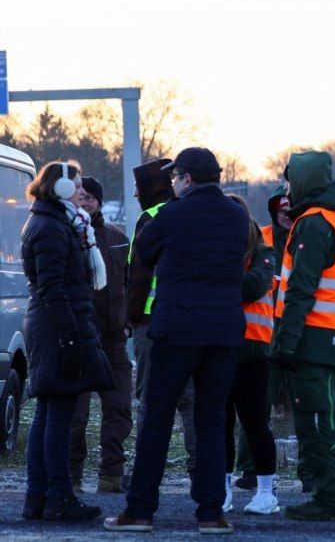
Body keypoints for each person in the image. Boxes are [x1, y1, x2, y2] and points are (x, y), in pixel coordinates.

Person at [105, 148, 248, 535]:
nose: (172, 183)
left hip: (177, 330)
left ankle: (140, 511)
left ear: (185, 178)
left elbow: (145, 254)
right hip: (223, 333)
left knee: (157, 417)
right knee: (211, 421)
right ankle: (211, 513)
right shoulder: (239, 216)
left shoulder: (171, 214)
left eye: (175, 177)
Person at [272, 151, 335, 522]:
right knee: (327, 419)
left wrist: (285, 343)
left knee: (315, 421)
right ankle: (332, 494)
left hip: (313, 340)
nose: (286, 188)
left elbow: (301, 291)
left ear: (306, 182)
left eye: (290, 181)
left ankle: (330, 499)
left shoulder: (313, 224)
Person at [21, 162, 110, 522]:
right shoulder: (52, 227)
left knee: (48, 413)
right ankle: (58, 496)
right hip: (57, 327)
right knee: (57, 414)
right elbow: (52, 286)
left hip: (52, 325)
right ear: (58, 188)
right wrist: (70, 335)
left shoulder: (53, 222)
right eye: (75, 183)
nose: (80, 189)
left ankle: (38, 497)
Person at [126, 158, 197, 476]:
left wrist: (129, 318)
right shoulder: (190, 214)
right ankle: (200, 465)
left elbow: (138, 276)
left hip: (151, 323)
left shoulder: (151, 218)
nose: (136, 195)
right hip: (189, 323)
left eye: (139, 189)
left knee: (151, 399)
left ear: (149, 189)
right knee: (190, 399)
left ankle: (146, 468)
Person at [234, 187, 303, 492]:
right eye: (282, 211)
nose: (287, 217)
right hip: (262, 336)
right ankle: (250, 470)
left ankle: (310, 473)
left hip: (299, 330)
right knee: (256, 409)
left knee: (304, 407)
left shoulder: (310, 238)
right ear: (274, 211)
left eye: (292, 211)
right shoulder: (259, 239)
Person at [69, 177, 133, 494]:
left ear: (99, 201)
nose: (86, 200)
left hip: (114, 341)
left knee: (119, 409)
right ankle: (72, 476)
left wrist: (128, 322)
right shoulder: (66, 236)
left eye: (92, 196)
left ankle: (111, 476)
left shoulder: (120, 240)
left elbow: (131, 286)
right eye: (82, 196)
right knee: (75, 414)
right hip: (79, 341)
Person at [222, 194, 279, 516]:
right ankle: (222, 489)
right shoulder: (217, 251)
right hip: (220, 348)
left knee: (255, 423)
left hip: (254, 349)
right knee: (220, 423)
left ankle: (267, 492)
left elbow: (252, 286)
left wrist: (217, 277)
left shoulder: (262, 252)